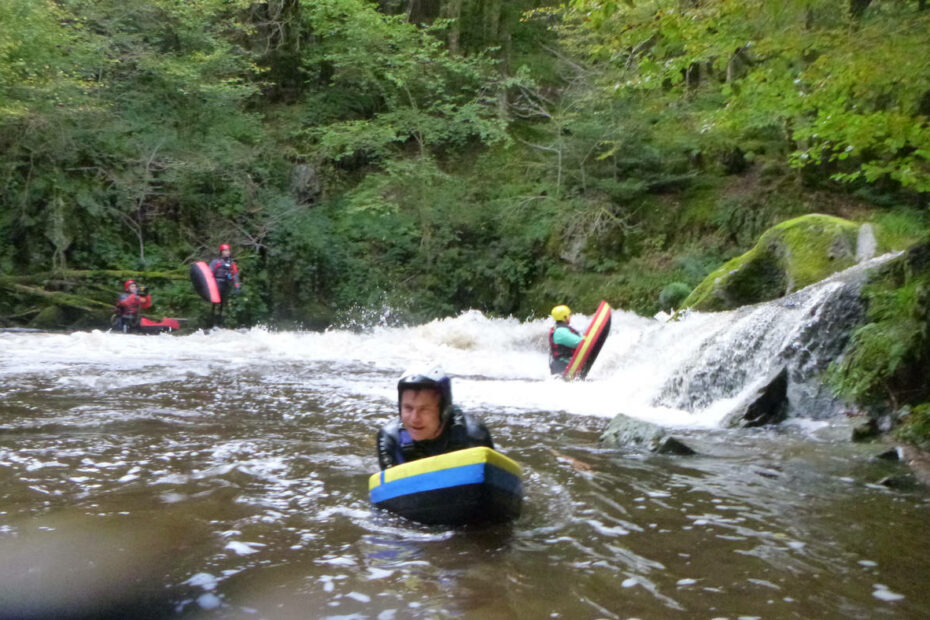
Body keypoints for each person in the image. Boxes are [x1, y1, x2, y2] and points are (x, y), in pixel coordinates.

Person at [377, 366, 494, 470]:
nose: (414, 418)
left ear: (444, 410)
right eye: (408, 408)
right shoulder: (390, 438)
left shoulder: (473, 435)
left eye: (424, 409)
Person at [208, 243, 241, 327]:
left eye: (228, 250)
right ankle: (212, 322)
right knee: (215, 303)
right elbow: (209, 273)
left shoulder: (231, 263)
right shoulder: (216, 262)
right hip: (216, 284)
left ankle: (221, 322)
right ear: (221, 252)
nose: (227, 252)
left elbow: (235, 274)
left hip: (225, 284)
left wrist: (237, 285)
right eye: (225, 251)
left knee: (223, 304)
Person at [548, 304, 583, 376]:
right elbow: (579, 343)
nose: (570, 317)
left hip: (561, 365)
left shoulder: (559, 329)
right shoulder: (560, 331)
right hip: (562, 366)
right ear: (565, 317)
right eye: (569, 315)